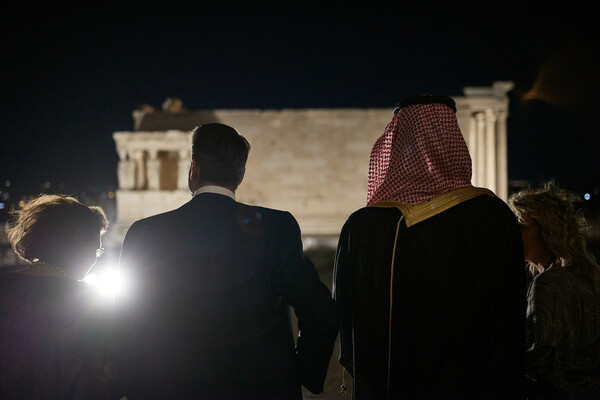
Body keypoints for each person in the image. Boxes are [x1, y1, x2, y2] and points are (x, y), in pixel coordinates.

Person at [116, 122, 339, 400]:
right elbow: (320, 311)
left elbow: (124, 322)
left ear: (193, 169)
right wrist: (300, 372)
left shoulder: (144, 233)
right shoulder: (277, 228)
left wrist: (133, 384)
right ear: (241, 175)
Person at [333, 95, 526, 399]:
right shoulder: (494, 216)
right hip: (474, 383)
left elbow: (346, 317)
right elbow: (510, 313)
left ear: (396, 146)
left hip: (389, 386)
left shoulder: (363, 225)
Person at [0, 194, 118, 399]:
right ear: (78, 246)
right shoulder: (91, 302)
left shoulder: (5, 286)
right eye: (96, 249)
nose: (95, 258)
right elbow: (104, 375)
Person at [509, 182, 600, 400]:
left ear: (547, 232)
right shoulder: (584, 276)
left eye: (522, 226)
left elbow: (539, 361)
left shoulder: (549, 284)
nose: (514, 233)